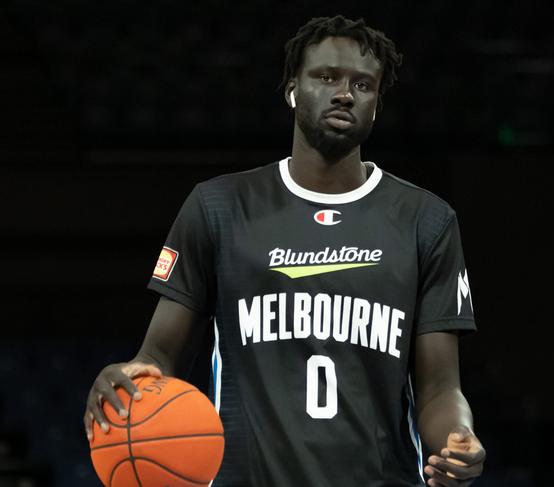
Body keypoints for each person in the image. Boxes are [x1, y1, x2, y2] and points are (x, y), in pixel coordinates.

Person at [84, 15, 486, 487]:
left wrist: (458, 436)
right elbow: (159, 356)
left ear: (377, 105)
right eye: (326, 77)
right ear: (292, 89)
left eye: (363, 84)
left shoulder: (427, 219)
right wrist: (128, 380)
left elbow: (440, 387)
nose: (344, 93)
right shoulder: (218, 207)